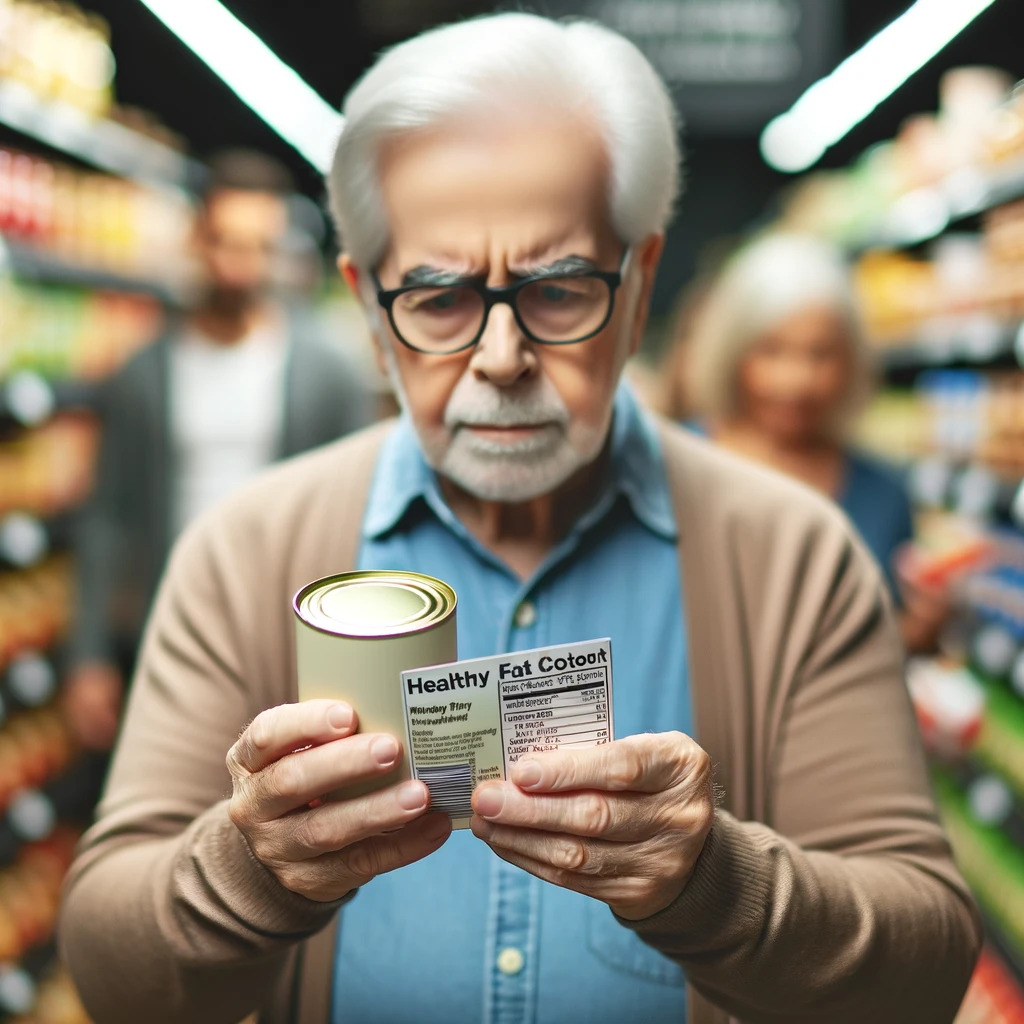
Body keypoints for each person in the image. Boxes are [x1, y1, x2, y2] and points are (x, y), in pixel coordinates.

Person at [58, 14, 980, 1024]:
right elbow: (112, 970)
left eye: (556, 287)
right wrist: (250, 866)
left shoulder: (795, 556)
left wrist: (715, 882)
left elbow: (924, 967)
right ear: (369, 308)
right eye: (441, 297)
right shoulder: (242, 553)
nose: (500, 356)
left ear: (637, 290)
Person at [64, 149, 371, 755]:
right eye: (226, 242)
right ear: (196, 241)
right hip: (172, 622)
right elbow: (106, 515)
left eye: (259, 246)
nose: (240, 265)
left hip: (288, 634)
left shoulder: (328, 372)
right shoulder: (139, 374)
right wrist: (88, 653)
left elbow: (356, 513)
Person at [676, 232, 950, 652]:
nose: (796, 380)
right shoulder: (673, 467)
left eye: (819, 354)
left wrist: (923, 630)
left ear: (851, 360)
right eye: (771, 351)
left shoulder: (883, 493)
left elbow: (886, 649)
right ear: (733, 353)